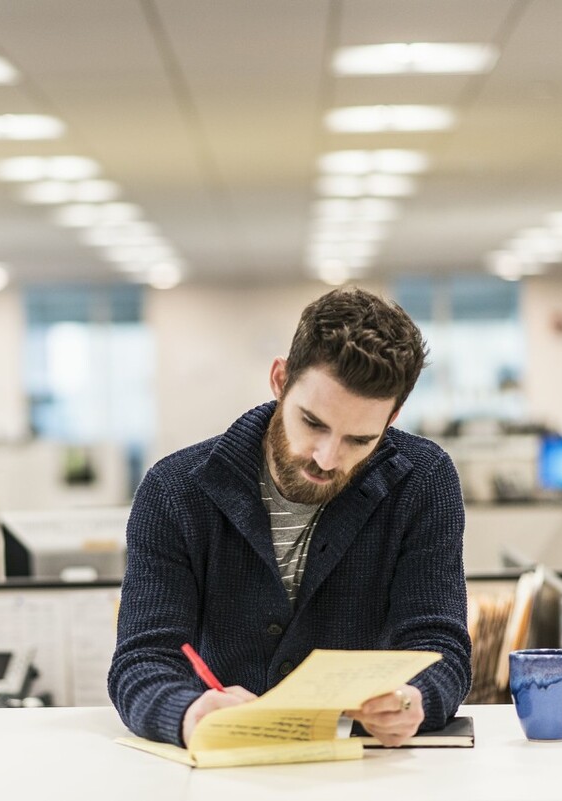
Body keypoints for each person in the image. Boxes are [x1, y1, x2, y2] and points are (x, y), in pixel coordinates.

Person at [107, 286, 471, 748]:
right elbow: (142, 660)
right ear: (280, 379)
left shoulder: (422, 481)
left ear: (393, 417)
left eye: (359, 439)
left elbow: (440, 645)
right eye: (313, 423)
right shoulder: (176, 491)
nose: (327, 457)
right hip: (223, 761)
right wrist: (187, 711)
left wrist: (415, 697)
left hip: (362, 766)